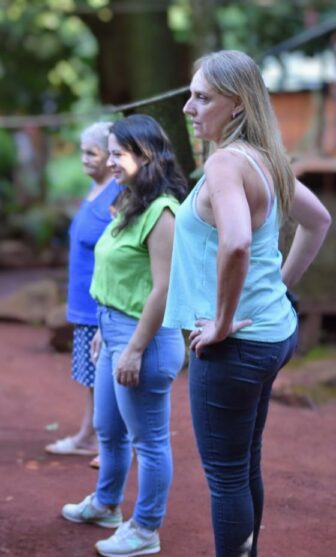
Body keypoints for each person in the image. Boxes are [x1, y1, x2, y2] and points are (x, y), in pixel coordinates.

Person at [164, 50, 331, 557]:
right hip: (273, 334)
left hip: (236, 345)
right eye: (190, 94)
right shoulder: (267, 158)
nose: (189, 107)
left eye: (202, 97)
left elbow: (236, 241)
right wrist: (280, 285)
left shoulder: (225, 163)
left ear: (237, 104)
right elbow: (318, 219)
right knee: (243, 464)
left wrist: (221, 320)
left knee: (226, 478)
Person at [61, 114, 187, 557]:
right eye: (109, 152)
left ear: (144, 154)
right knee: (108, 430)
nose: (110, 161)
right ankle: (107, 503)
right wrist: (103, 329)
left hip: (144, 341)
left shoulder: (162, 211)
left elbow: (164, 287)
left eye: (118, 153)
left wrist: (133, 348)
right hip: (112, 332)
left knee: (149, 442)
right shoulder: (131, 201)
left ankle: (146, 529)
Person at [45, 122, 123, 470]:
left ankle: (113, 442)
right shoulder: (95, 190)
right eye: (82, 152)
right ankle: (89, 435)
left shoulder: (118, 193)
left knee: (107, 377)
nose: (84, 159)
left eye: (92, 152)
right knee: (92, 378)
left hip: (103, 304)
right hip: (83, 305)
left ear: (112, 157)